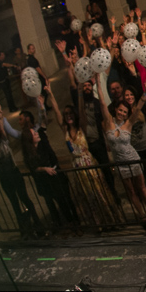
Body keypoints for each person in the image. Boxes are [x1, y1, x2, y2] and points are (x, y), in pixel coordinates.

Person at [48, 86, 120, 227]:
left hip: (89, 164)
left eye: (70, 113)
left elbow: (81, 111)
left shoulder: (81, 127)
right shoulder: (65, 130)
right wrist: (50, 94)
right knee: (87, 196)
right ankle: (97, 223)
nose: (68, 115)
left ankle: (110, 220)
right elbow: (57, 113)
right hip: (77, 166)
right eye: (66, 114)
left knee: (99, 192)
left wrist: (80, 94)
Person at [97, 80, 146, 225]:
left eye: (124, 112)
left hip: (133, 159)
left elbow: (139, 106)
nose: (122, 113)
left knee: (141, 187)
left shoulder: (128, 124)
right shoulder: (109, 123)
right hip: (120, 163)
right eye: (120, 110)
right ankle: (142, 216)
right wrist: (98, 81)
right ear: (116, 109)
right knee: (131, 191)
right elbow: (102, 103)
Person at [0, 106, 41, 238]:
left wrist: (0, 116)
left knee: (25, 198)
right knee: (14, 204)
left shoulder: (4, 138)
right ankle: (24, 230)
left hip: (14, 173)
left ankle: (38, 225)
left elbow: (2, 129)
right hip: (4, 178)